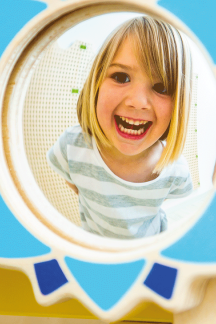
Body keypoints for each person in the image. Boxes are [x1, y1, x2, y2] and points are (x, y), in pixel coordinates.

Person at [47, 16, 194, 239]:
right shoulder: (71, 146)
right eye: (121, 77)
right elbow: (74, 184)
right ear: (96, 83)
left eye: (162, 87)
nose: (138, 102)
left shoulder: (176, 170)